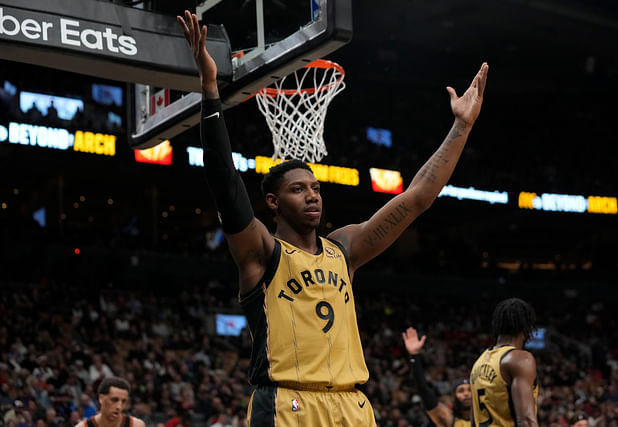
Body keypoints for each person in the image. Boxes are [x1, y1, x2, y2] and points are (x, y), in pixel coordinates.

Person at [177, 10, 488, 426]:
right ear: (272, 202)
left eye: (316, 188)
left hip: (352, 407)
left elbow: (417, 199)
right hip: (288, 403)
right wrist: (210, 88)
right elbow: (223, 180)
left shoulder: (344, 249)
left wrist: (460, 128)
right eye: (298, 189)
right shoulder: (261, 251)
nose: (312, 196)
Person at [469, 298, 538, 427]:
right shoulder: (520, 359)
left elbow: (474, 421)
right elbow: (526, 420)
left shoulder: (478, 362)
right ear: (526, 327)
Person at [402, 327, 471, 427]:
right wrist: (414, 356)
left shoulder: (486, 419)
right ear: (453, 397)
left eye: (470, 390)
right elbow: (424, 391)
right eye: (461, 391)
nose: (466, 394)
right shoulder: (449, 419)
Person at [74, 377, 145, 427]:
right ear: (101, 398)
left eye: (123, 401)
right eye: (114, 400)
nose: (119, 407)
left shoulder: (136, 425)